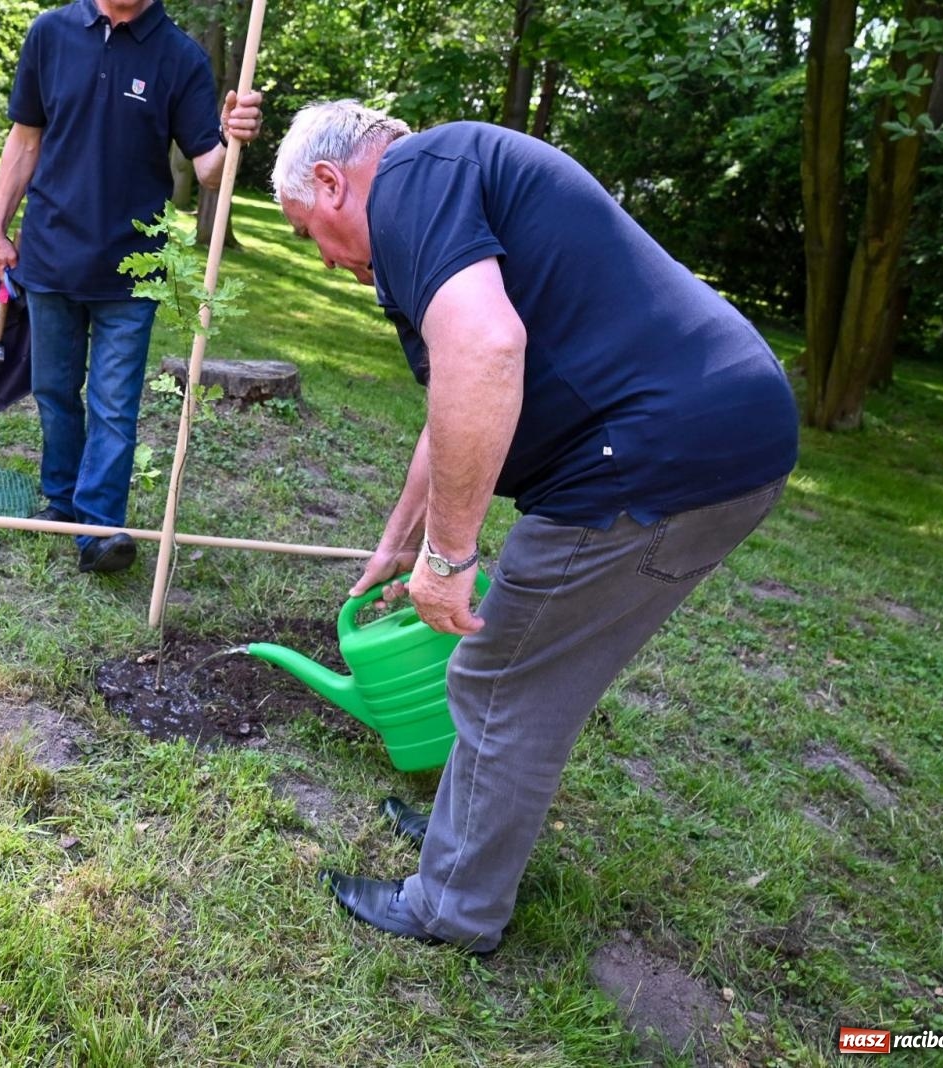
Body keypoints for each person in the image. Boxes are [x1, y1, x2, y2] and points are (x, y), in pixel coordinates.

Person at [271, 100, 799, 953]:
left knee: (500, 679)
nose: (328, 262)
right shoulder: (451, 176)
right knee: (530, 672)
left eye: (308, 235)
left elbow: (485, 350)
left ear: (332, 181)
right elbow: (456, 391)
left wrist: (448, 556)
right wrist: (402, 537)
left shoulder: (410, 185)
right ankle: (463, 842)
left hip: (650, 457)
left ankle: (452, 907)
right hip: (726, 438)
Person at [0, 0, 263, 574]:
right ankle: (61, 502)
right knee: (56, 392)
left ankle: (99, 529)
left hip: (133, 267)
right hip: (51, 254)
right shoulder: (51, 33)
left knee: (115, 404)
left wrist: (232, 134)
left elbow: (208, 166)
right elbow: (25, 139)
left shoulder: (179, 56)